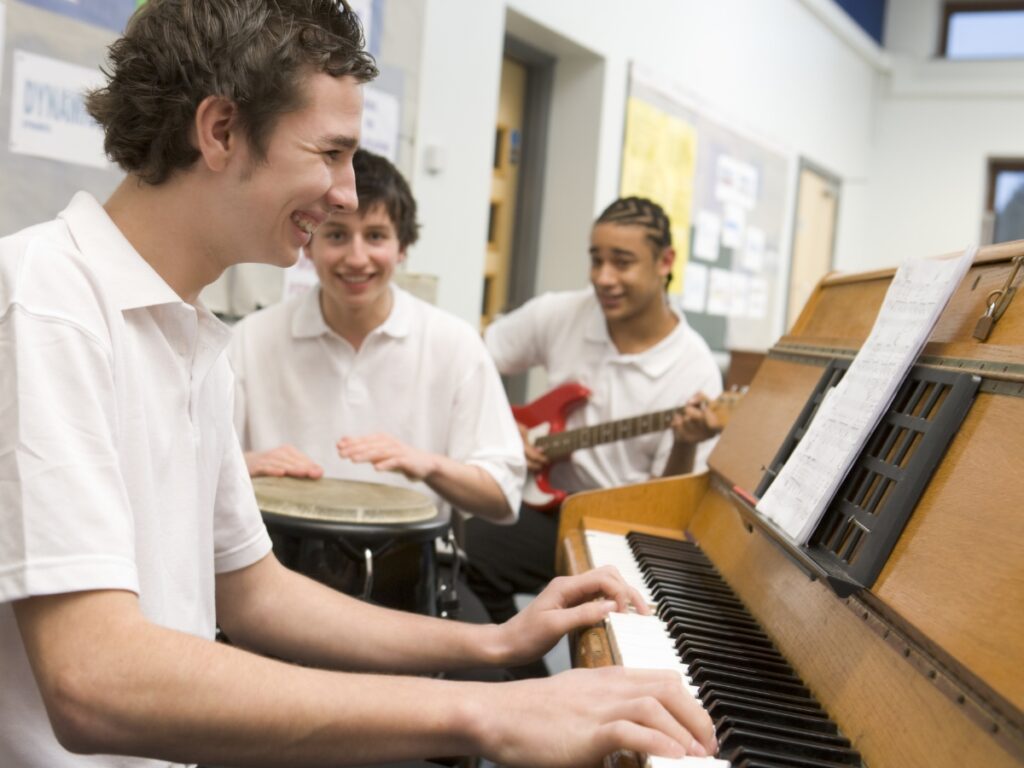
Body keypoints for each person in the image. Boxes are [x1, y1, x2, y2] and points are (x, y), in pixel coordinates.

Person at [0, 3, 717, 767]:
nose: (346, 194)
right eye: (332, 153)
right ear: (220, 131)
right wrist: (493, 711)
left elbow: (254, 592)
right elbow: (94, 681)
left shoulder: (187, 330)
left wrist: (494, 642)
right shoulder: (45, 304)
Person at [465, 196, 724, 676]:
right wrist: (507, 427)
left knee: (619, 638)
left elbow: (669, 505)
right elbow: (470, 363)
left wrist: (686, 440)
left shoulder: (695, 370)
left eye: (622, 262)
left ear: (665, 263)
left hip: (624, 531)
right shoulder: (561, 314)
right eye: (596, 259)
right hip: (551, 513)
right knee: (468, 546)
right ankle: (526, 688)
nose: (604, 277)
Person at [229, 148, 524, 525]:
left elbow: (503, 498)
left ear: (402, 248)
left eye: (375, 236)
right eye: (336, 235)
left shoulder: (454, 344)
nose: (356, 258)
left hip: (408, 570)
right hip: (274, 565)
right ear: (308, 245)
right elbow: (192, 467)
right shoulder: (250, 340)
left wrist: (429, 466)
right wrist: (245, 463)